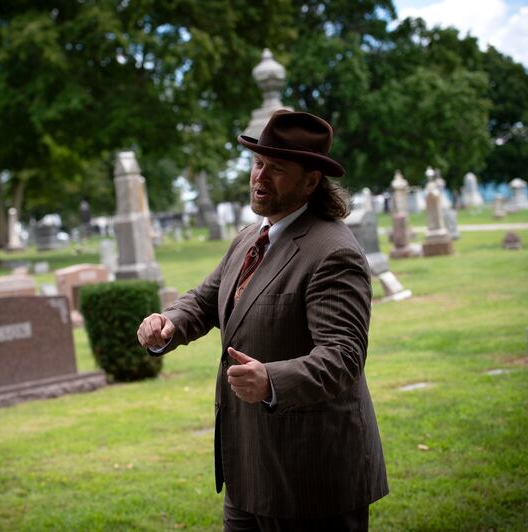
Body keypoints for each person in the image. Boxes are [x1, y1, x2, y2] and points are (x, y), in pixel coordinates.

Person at [137, 110, 388, 531]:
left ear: (310, 181)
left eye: (277, 169)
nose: (260, 178)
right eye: (257, 164)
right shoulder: (251, 237)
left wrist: (271, 380)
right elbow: (206, 298)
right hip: (249, 469)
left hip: (310, 478)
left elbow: (344, 356)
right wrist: (169, 323)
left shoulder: (333, 252)